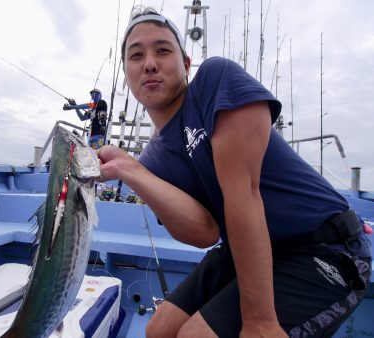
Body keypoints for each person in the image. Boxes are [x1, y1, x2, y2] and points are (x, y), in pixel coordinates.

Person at [96, 7, 372, 338]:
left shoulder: (215, 80)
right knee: (159, 331)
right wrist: (131, 170)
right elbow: (203, 232)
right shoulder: (152, 160)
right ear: (127, 72)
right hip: (248, 249)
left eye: (163, 50)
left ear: (185, 65)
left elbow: (244, 194)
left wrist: (260, 322)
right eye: (136, 55)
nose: (150, 63)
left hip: (323, 247)